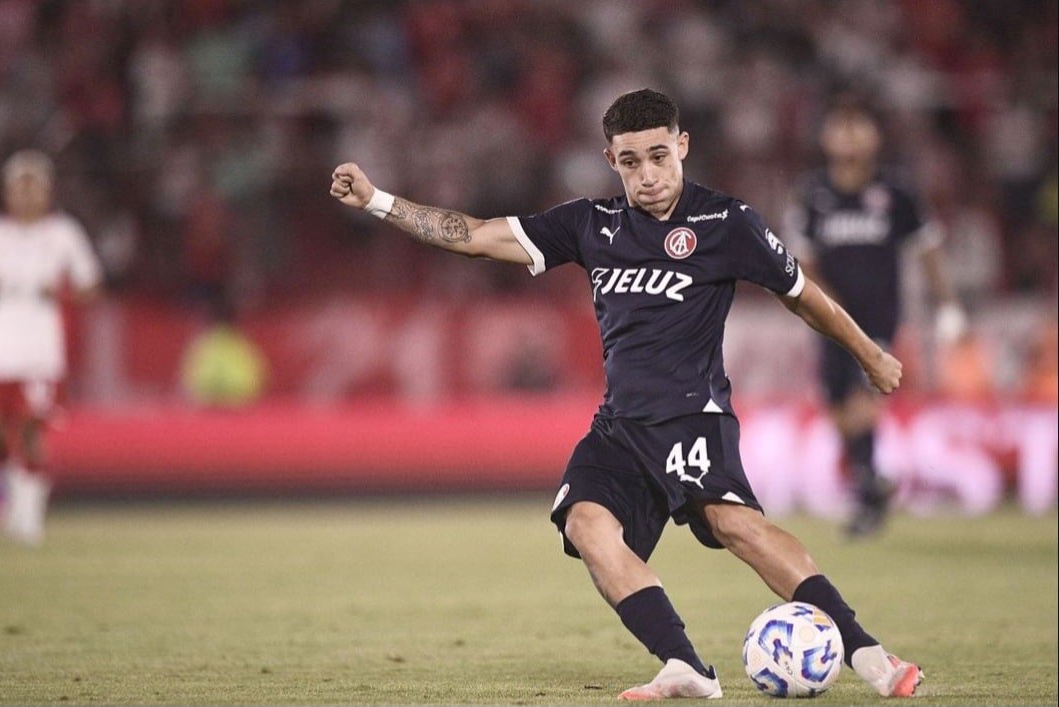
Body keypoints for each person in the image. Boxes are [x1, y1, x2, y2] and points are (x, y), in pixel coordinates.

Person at [329, 89, 922, 699]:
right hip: (620, 426)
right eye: (631, 162)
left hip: (692, 417)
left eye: (659, 156)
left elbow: (803, 296)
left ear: (682, 147)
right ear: (611, 161)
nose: (648, 176)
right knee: (585, 524)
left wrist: (869, 354)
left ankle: (867, 652)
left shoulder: (727, 222)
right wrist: (377, 200)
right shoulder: (591, 224)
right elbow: (475, 235)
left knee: (735, 524)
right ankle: (684, 665)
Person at [783, 95, 967, 537]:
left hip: (879, 316)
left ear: (875, 136)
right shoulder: (812, 195)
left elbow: (927, 249)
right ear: (826, 137)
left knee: (862, 397)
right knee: (836, 405)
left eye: (858, 126)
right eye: (841, 126)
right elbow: (802, 262)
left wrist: (947, 303)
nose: (849, 137)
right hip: (828, 319)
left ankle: (867, 493)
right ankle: (872, 482)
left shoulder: (896, 193)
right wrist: (824, 305)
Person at [0, 150, 103, 545]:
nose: (27, 195)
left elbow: (91, 284)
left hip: (40, 345)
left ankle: (30, 516)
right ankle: (13, 498)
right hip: (1, 345)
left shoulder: (63, 233)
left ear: (47, 191)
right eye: (20, 187)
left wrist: (63, 292)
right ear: (7, 192)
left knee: (32, 427)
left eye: (34, 187)